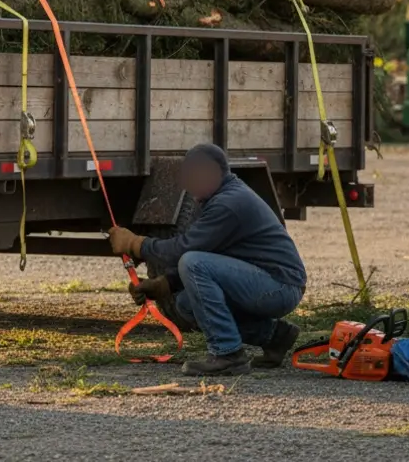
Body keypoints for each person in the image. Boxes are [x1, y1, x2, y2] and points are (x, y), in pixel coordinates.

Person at [107, 143, 306, 376]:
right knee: (186, 304)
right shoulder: (218, 198)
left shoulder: (228, 203)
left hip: (280, 286)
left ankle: (228, 355)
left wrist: (135, 244)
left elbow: (183, 250)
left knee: (193, 262)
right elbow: (212, 252)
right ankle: (274, 337)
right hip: (266, 282)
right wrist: (167, 284)